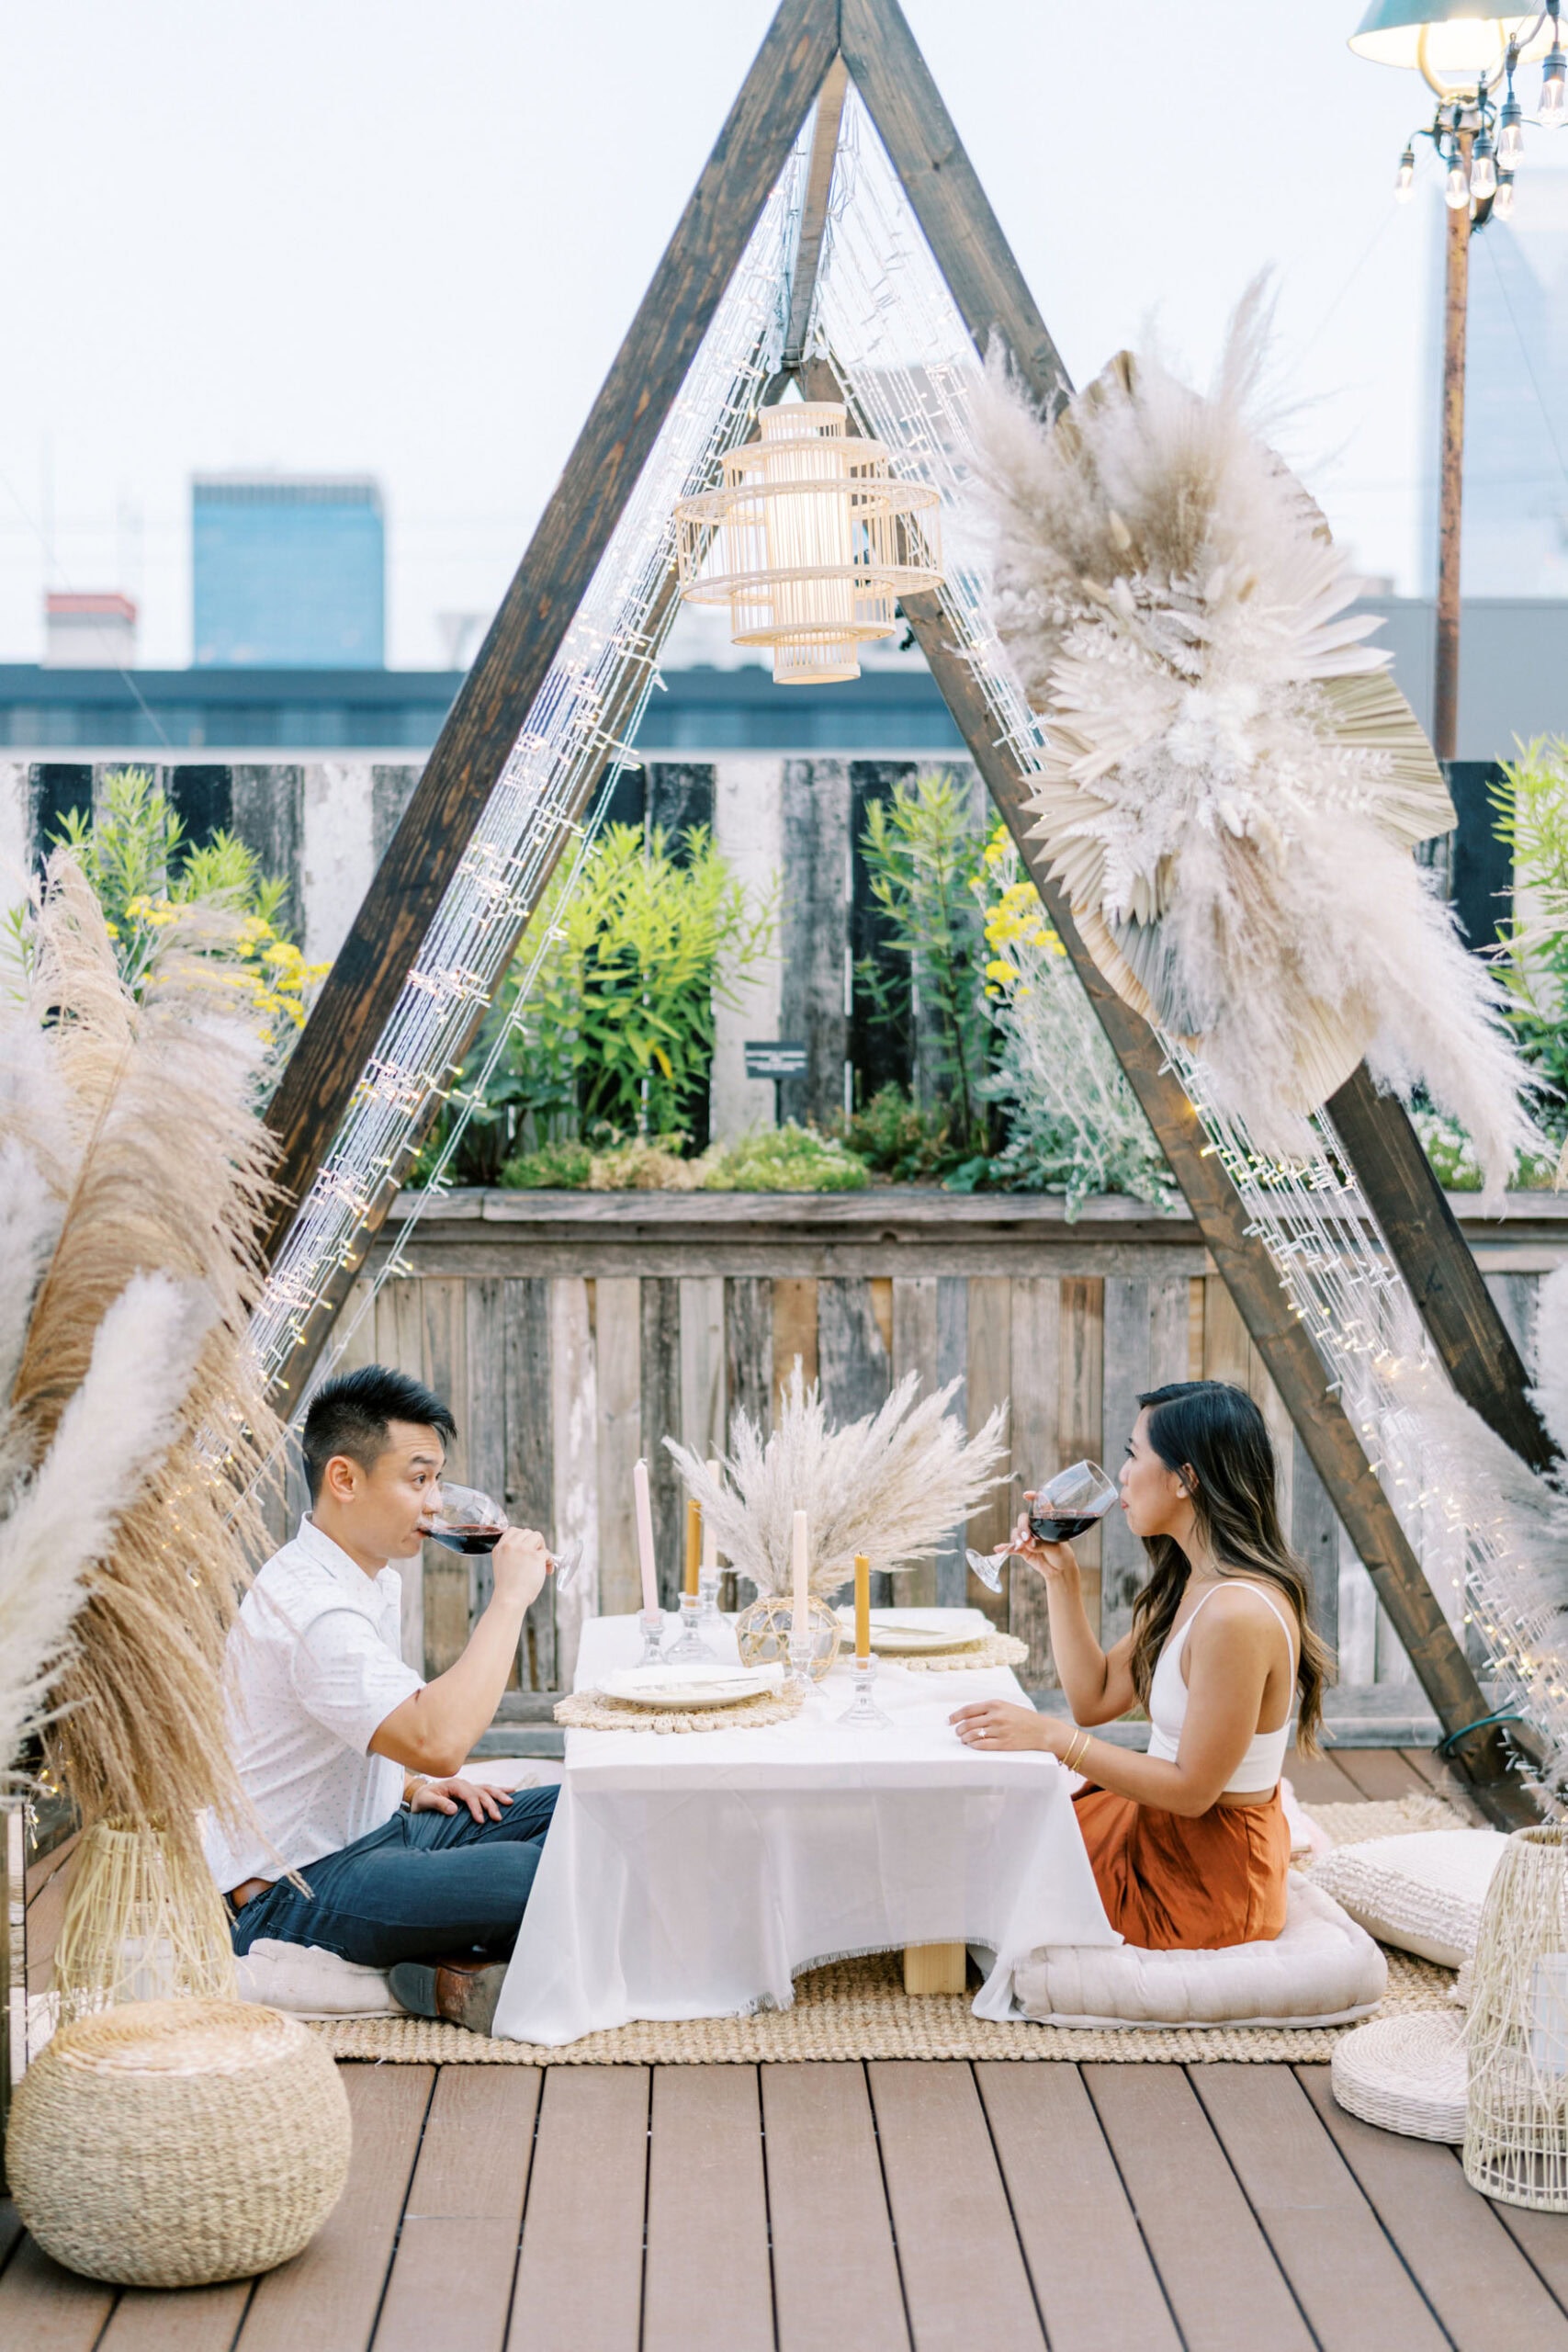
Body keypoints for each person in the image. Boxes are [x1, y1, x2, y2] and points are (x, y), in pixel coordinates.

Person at [205, 1363, 558, 2033]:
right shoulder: (314, 1610)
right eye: (417, 1479)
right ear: (344, 1478)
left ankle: (438, 1965)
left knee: (586, 1816)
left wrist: (403, 1786)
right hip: (291, 1889)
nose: (434, 1503)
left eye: (437, 1479)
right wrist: (510, 1598)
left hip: (375, 1834)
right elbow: (441, 1741)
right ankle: (435, 1969)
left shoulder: (364, 1575)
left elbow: (344, 1729)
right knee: (531, 1876)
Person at [951, 1380, 1332, 1949]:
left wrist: (1053, 1739)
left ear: (1185, 1479)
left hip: (1203, 1882)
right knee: (983, 1835)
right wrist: (1062, 1578)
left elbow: (1191, 1792)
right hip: (1160, 1833)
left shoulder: (1236, 1615)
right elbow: (1096, 1696)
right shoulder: (1195, 1583)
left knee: (985, 1874)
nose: (1122, 1475)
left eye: (1134, 1455)